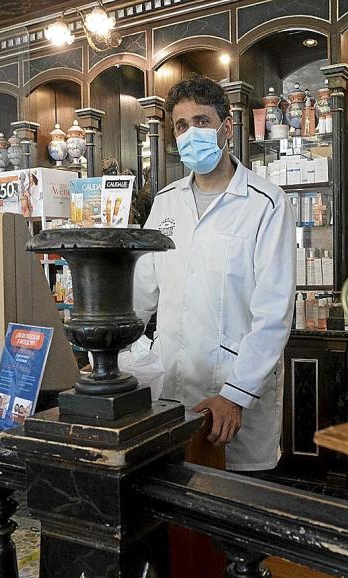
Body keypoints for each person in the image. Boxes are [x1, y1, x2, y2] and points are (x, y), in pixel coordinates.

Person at [133, 75, 296, 472]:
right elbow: (140, 294)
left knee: (230, 508)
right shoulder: (165, 204)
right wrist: (113, 349)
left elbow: (273, 314)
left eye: (202, 121)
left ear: (226, 127)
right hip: (169, 389)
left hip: (232, 396)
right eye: (182, 126)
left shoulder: (266, 203)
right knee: (174, 507)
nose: (192, 134)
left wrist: (236, 395)